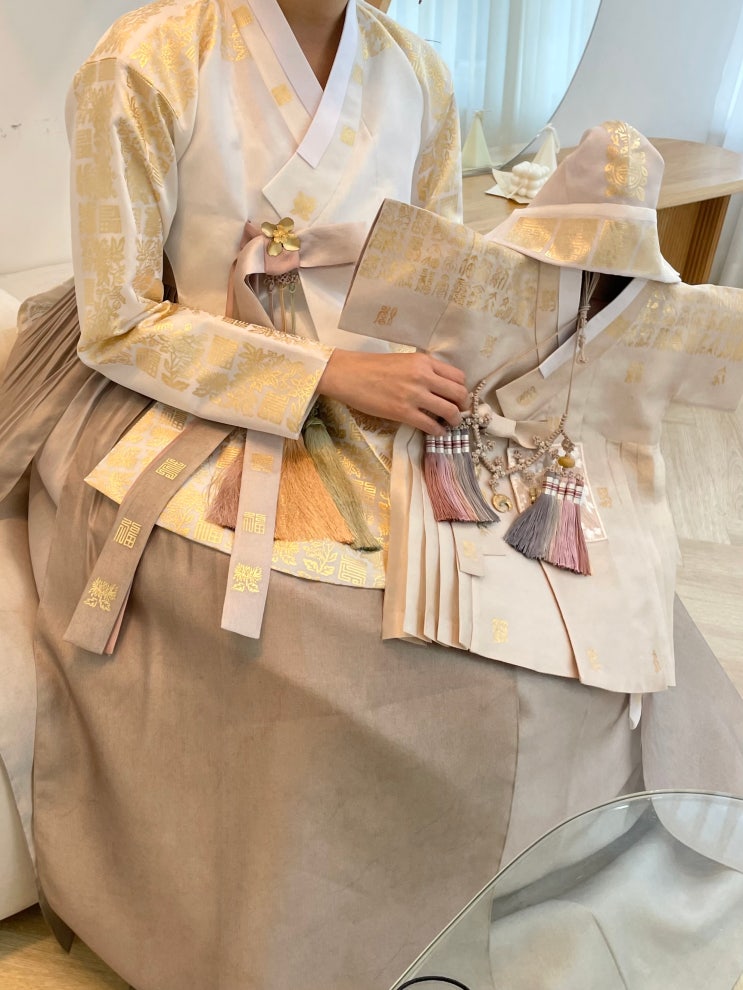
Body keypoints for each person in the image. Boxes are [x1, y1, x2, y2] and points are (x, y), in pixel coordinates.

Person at [0, 4, 740, 990]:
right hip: (196, 392)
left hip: (389, 389)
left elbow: (439, 283)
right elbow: (121, 323)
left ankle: (547, 875)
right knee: (345, 650)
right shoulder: (143, 61)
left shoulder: (416, 73)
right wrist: (322, 374)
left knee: (589, 589)